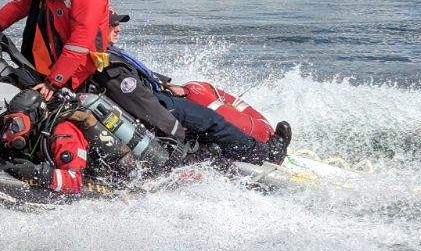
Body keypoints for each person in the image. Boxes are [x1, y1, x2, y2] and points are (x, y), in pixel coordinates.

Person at [94, 12, 291, 164]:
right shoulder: (106, 63)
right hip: (159, 104)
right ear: (98, 28)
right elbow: (141, 103)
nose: (118, 29)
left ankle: (221, 150)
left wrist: (165, 82)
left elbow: (139, 75)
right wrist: (175, 128)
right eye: (112, 24)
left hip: (159, 95)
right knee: (212, 120)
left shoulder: (109, 52)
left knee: (204, 117)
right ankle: (264, 155)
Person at [0, 89, 131, 195]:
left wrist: (37, 173)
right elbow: (13, 152)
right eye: (9, 124)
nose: (11, 131)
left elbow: (75, 180)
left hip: (99, 183)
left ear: (34, 118)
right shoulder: (33, 134)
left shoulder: (63, 133)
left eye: (17, 123)